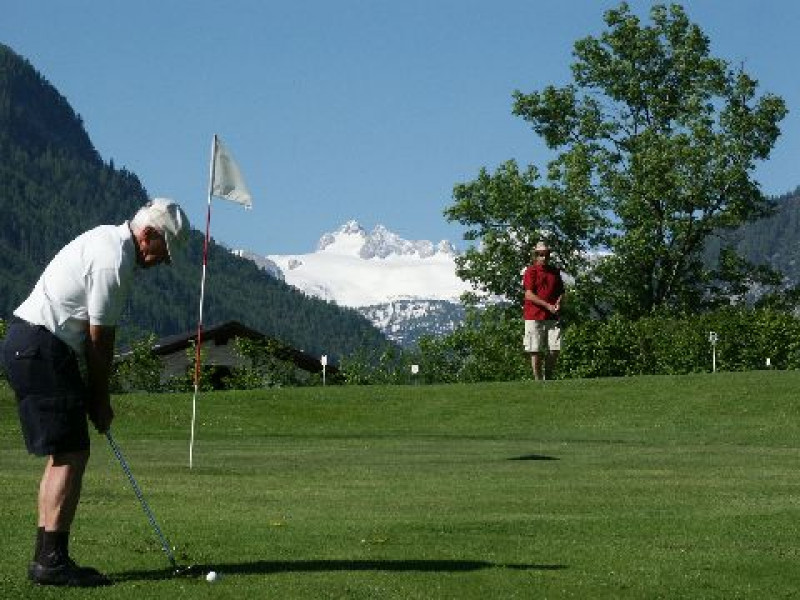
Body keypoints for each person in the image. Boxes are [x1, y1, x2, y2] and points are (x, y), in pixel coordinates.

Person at [2, 198, 189, 587]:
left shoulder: (108, 241)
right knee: (71, 453)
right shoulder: (114, 258)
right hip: (42, 346)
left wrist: (93, 394)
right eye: (164, 251)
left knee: (65, 453)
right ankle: (50, 562)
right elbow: (100, 338)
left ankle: (49, 557)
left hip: (32, 343)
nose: (164, 261)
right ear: (148, 235)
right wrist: (100, 399)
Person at [523, 241, 565, 381]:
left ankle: (548, 377)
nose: (544, 257)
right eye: (541, 254)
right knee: (535, 350)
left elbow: (561, 292)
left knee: (555, 348)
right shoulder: (531, 271)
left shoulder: (554, 272)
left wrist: (559, 302)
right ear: (536, 256)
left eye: (546, 254)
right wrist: (547, 305)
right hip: (534, 315)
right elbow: (528, 294)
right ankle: (538, 380)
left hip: (552, 316)